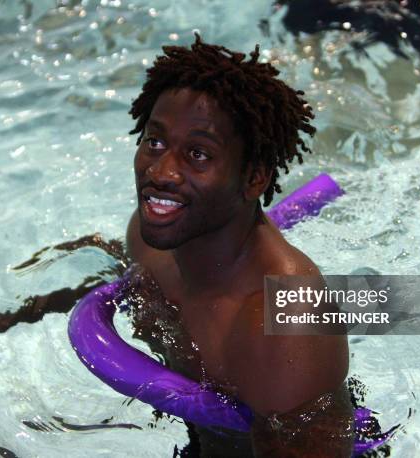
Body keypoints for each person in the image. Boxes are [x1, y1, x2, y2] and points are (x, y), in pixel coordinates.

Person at [124, 34, 352, 457]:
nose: (161, 172)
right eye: (155, 142)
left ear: (254, 179)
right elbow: (110, 285)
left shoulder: (283, 319)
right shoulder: (147, 235)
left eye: (197, 154)